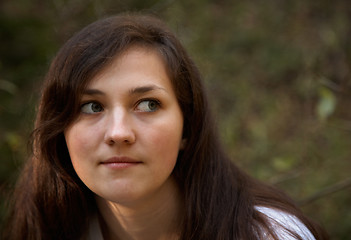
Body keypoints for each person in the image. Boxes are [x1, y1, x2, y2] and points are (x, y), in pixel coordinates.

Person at [3, 13, 328, 240]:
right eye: (92, 107)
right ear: (60, 130)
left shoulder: (269, 235)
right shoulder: (44, 229)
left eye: (148, 104)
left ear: (188, 126)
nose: (118, 133)